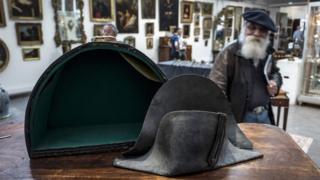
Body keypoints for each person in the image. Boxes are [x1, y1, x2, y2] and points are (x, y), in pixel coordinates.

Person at [209, 10, 282, 125]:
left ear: (267, 34)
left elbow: (275, 73)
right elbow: (216, 90)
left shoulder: (267, 52)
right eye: (252, 28)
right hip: (239, 118)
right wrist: (227, 120)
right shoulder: (229, 53)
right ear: (244, 28)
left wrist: (275, 83)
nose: (257, 33)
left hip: (264, 115)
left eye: (262, 30)